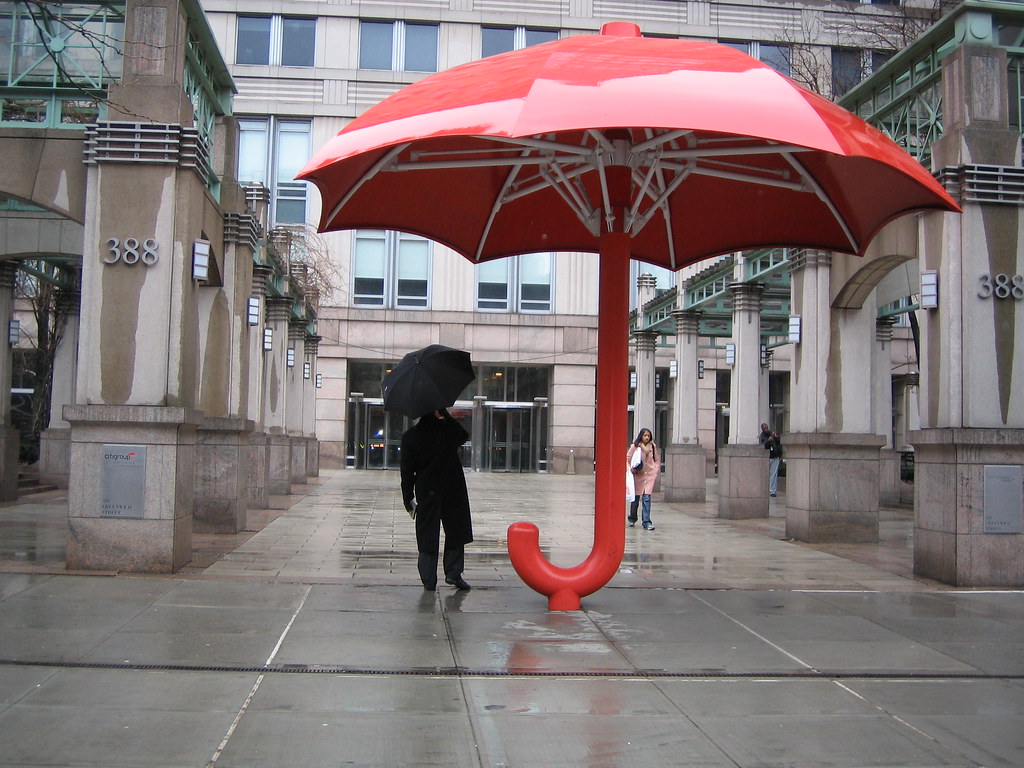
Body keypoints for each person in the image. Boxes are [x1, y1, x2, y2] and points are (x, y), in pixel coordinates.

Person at [400, 409, 473, 591]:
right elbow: (463, 435)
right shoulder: (447, 430)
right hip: (452, 486)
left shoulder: (410, 436)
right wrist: (446, 415)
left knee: (427, 533)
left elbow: (406, 471)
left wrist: (407, 496)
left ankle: (428, 578)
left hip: (427, 489)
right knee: (456, 531)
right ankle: (453, 573)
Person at [626, 427, 660, 530]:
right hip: (638, 475)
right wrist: (630, 469)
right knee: (635, 500)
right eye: (645, 435)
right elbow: (626, 459)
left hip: (649, 475)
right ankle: (632, 518)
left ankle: (646, 521)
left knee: (646, 498)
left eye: (648, 436)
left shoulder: (652, 447)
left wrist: (656, 469)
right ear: (641, 436)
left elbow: (657, 459)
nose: (646, 437)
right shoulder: (635, 447)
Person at [761, 424, 783, 497]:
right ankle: (764, 490)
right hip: (767, 457)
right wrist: (768, 441)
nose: (766, 430)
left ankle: (773, 491)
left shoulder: (772, 433)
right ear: (762, 429)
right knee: (766, 474)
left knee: (774, 474)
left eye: (767, 428)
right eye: (764, 429)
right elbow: (763, 445)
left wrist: (776, 436)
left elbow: (779, 442)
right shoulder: (762, 436)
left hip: (775, 456)